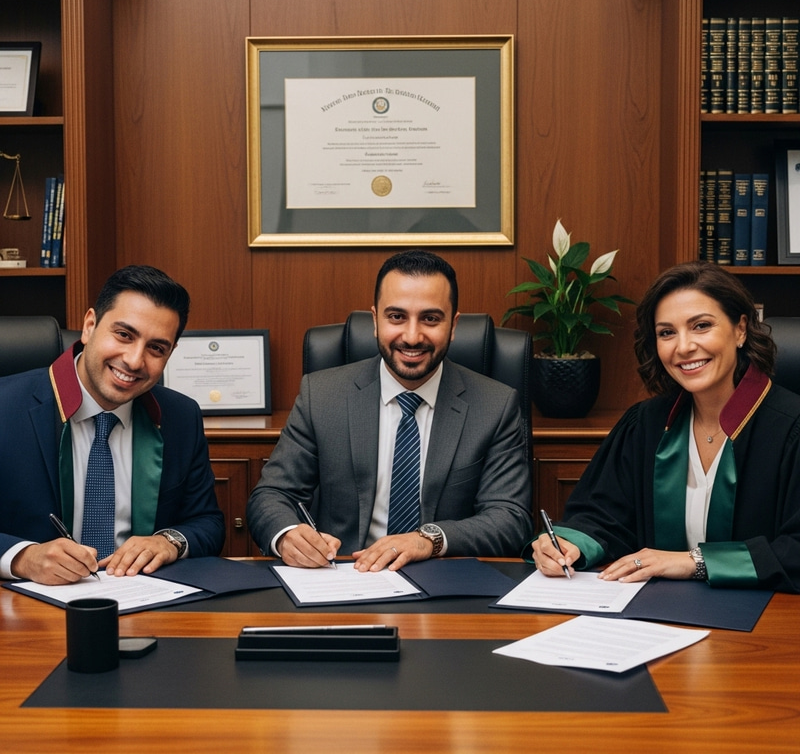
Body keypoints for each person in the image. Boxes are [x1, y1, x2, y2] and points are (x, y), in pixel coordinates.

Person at [247, 250, 533, 571]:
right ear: (375, 320)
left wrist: (428, 539)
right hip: (344, 576)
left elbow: (510, 519)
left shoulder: (496, 405)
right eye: (396, 317)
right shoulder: (322, 395)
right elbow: (271, 496)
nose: (412, 337)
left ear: (453, 326)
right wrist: (287, 534)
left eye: (430, 318)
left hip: (444, 580)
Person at [532, 260, 800, 593]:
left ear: (741, 329)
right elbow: (603, 516)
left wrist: (694, 562)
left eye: (701, 326)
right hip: (658, 616)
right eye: (666, 333)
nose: (683, 347)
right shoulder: (646, 425)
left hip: (765, 622)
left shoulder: (792, 429)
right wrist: (569, 544)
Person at [0, 265, 225, 585]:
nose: (134, 361)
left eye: (156, 348)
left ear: (170, 353)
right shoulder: (5, 406)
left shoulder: (181, 416)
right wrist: (21, 557)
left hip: (143, 601)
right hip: (26, 609)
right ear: (90, 325)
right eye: (124, 335)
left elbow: (208, 522)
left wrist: (168, 541)